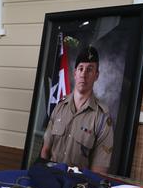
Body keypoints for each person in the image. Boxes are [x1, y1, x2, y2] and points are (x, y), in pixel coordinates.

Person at [40, 46, 114, 174]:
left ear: (96, 75)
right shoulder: (59, 108)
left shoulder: (102, 118)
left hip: (76, 186)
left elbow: (98, 171)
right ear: (75, 73)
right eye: (81, 69)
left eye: (89, 70)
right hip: (50, 178)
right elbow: (45, 151)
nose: (84, 74)